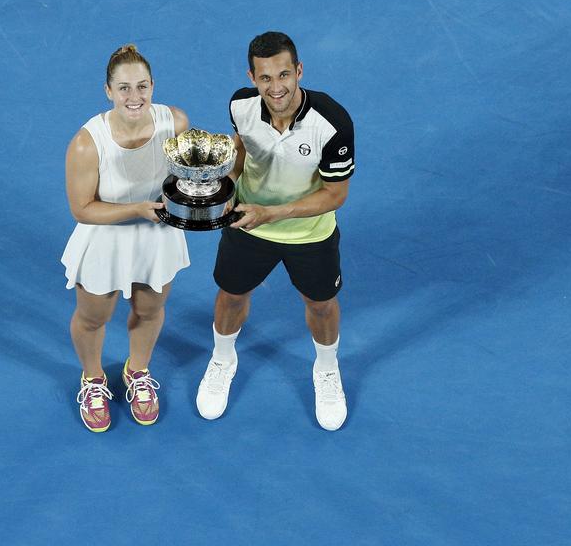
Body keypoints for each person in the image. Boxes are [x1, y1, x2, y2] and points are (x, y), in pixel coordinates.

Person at [196, 31, 355, 431]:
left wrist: (274, 213)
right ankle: (222, 358)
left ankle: (326, 369)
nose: (276, 87)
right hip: (249, 222)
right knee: (231, 296)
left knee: (321, 305)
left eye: (284, 75)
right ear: (252, 76)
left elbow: (335, 195)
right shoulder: (241, 106)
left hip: (309, 234)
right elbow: (242, 146)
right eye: (265, 78)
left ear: (299, 71)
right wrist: (227, 186)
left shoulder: (332, 123)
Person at [62, 44, 191, 432]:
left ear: (153, 85)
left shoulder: (176, 123)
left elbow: (183, 178)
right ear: (108, 91)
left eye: (141, 87)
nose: (134, 97)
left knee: (150, 309)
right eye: (123, 88)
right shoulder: (88, 141)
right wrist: (137, 209)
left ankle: (137, 372)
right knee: (93, 316)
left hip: (157, 236)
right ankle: (93, 379)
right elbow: (83, 209)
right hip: (106, 238)